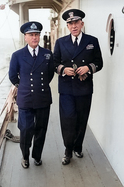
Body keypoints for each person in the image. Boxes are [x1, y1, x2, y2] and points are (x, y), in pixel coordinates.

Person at [53, 9, 103, 165]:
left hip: (84, 87)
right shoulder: (60, 42)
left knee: (82, 119)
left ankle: (78, 147)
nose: (73, 26)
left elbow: (99, 62)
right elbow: (54, 64)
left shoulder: (92, 41)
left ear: (82, 24)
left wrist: (88, 67)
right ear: (67, 26)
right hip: (67, 88)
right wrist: (63, 69)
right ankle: (68, 151)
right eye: (70, 23)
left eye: (76, 23)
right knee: (68, 119)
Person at [9, 21, 54, 169]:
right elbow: (12, 76)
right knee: (26, 129)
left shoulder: (47, 54)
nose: (34, 37)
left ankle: (37, 156)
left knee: (41, 130)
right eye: (31, 35)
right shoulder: (17, 55)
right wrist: (23, 86)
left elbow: (49, 75)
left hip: (43, 97)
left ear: (39, 36)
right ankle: (25, 156)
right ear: (25, 37)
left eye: (36, 34)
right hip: (26, 98)